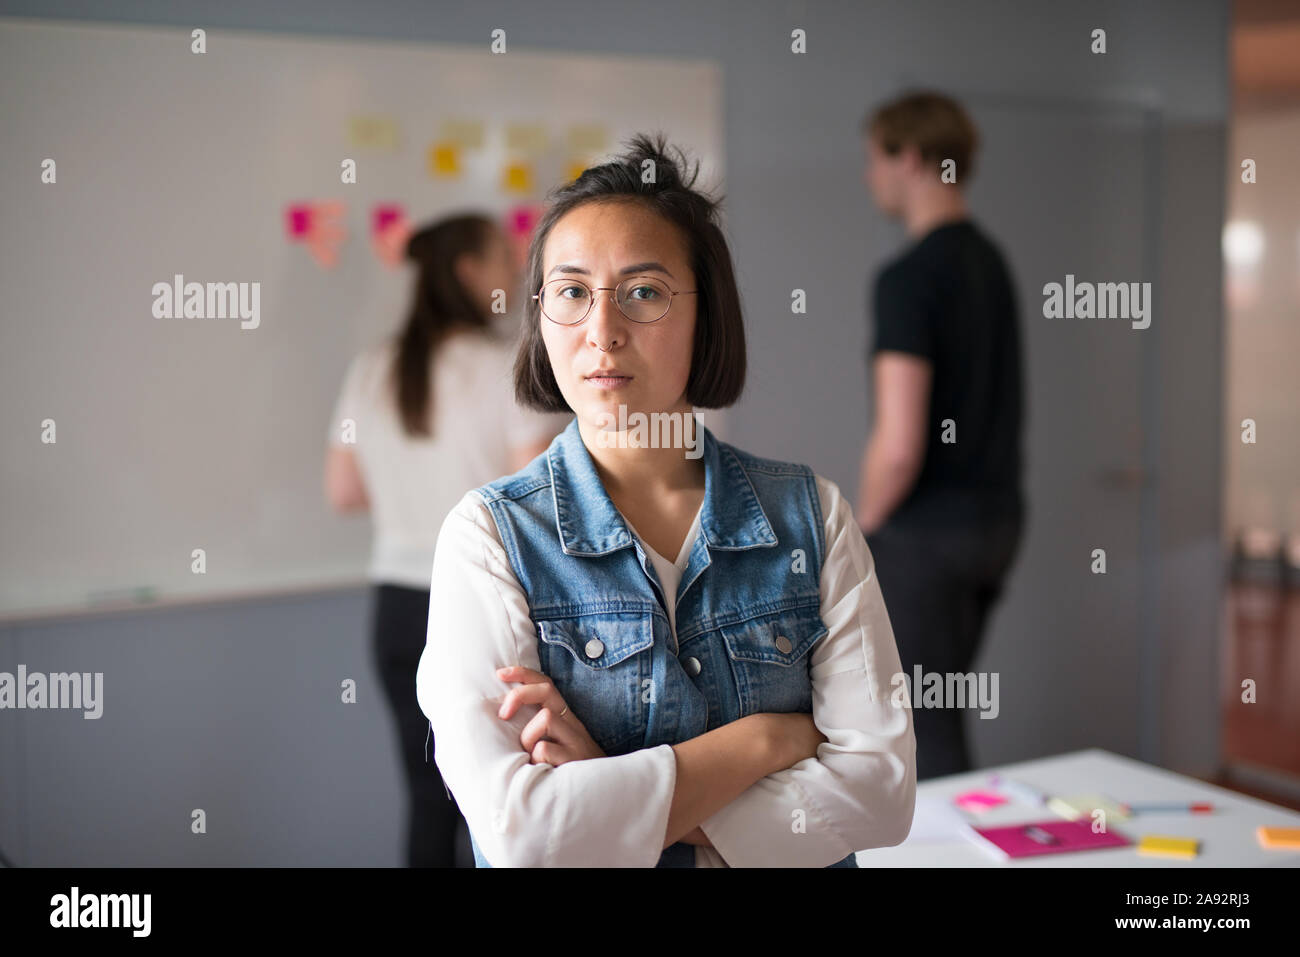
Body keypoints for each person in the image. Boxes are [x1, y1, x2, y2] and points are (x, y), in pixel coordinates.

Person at [416, 134, 915, 867]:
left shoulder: (812, 514)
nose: (603, 332)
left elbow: (882, 793)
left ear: (705, 312)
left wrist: (601, 792)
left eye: (643, 291)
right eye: (572, 291)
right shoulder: (489, 536)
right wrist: (763, 742)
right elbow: (521, 834)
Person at [324, 214, 569, 867]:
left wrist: (418, 491)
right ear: (468, 273)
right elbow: (537, 493)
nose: (518, 269)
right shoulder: (504, 366)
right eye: (502, 257)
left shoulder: (371, 367)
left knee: (427, 793)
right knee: (503, 800)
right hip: (479, 606)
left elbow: (343, 490)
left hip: (398, 608)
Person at [856, 91, 1026, 780]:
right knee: (941, 705)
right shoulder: (992, 262)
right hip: (997, 525)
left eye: (876, 158)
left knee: (920, 727)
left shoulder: (908, 277)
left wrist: (863, 532)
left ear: (913, 158)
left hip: (928, 538)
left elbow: (899, 443)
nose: (870, 176)